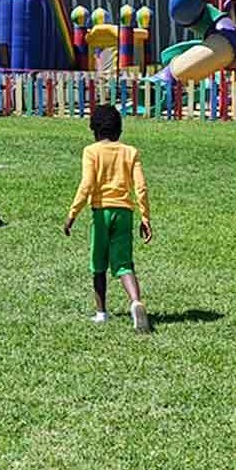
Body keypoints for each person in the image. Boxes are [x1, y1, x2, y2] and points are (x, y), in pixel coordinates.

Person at [63, 104, 154, 333]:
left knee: (98, 264)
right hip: (125, 212)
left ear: (94, 129)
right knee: (124, 264)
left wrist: (73, 213)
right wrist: (145, 217)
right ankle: (135, 301)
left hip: (101, 212)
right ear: (119, 129)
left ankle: (101, 313)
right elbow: (141, 187)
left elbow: (87, 185)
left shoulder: (91, 151)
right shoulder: (130, 152)